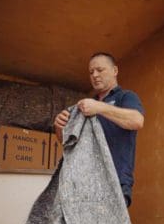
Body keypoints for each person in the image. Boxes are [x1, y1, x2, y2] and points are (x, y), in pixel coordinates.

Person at [54, 52, 144, 207]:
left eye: (100, 70)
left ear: (115, 71)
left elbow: (137, 121)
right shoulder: (86, 105)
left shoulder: (126, 97)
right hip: (84, 183)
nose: (94, 75)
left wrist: (100, 107)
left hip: (115, 180)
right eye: (91, 72)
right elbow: (66, 141)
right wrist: (59, 126)